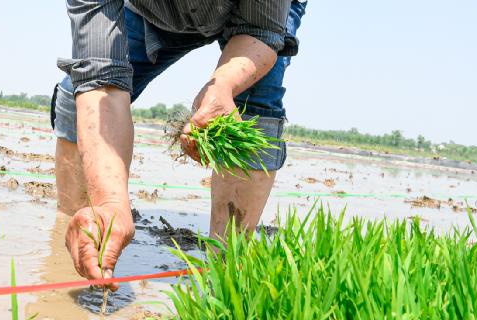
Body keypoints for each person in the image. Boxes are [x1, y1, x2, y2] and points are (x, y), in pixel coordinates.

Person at [51, 0, 307, 290]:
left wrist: (223, 86)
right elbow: (100, 78)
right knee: (78, 98)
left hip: (256, 17)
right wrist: (110, 203)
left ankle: (226, 273)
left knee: (254, 112)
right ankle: (81, 245)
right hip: (153, 10)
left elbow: (260, 30)